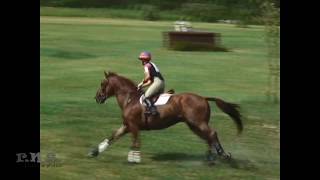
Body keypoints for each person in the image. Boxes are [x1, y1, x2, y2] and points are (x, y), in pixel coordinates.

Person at [137, 51, 165, 116]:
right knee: (153, 97)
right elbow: (150, 82)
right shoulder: (152, 64)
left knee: (145, 97)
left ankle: (152, 110)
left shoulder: (146, 66)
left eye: (141, 59)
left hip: (157, 83)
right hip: (161, 83)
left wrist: (142, 83)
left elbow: (148, 77)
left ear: (144, 60)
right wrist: (142, 86)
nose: (141, 61)